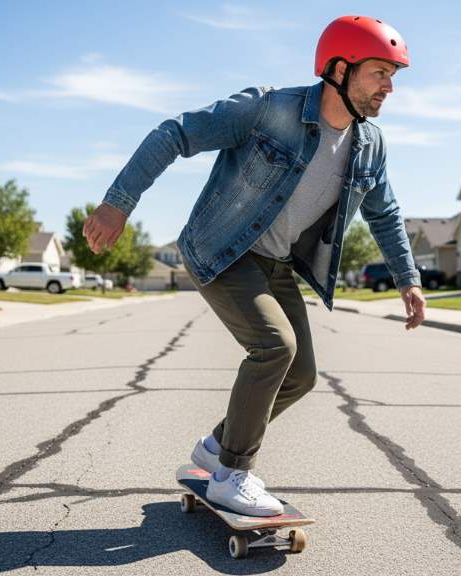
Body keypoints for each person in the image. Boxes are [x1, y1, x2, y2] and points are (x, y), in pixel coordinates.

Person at [83, 15, 426, 516]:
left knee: (301, 373)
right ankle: (232, 473)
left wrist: (408, 279)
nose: (389, 88)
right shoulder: (268, 108)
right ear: (338, 68)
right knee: (274, 348)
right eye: (379, 73)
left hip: (277, 264)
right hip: (221, 250)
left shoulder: (369, 144)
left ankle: (217, 447)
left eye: (394, 76)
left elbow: (385, 212)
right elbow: (175, 133)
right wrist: (118, 203)